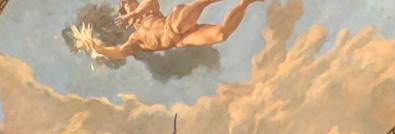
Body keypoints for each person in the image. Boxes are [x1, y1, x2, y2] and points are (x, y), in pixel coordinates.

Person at [75, 0, 263, 60]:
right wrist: (98, 49)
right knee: (221, 34)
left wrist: (137, 12)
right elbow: (119, 52)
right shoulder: (136, 39)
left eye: (135, 2)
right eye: (130, 5)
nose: (134, 6)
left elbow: (151, 1)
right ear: (124, 11)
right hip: (180, 40)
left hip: (174, 22)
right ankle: (245, 2)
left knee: (185, 18)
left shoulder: (150, 11)